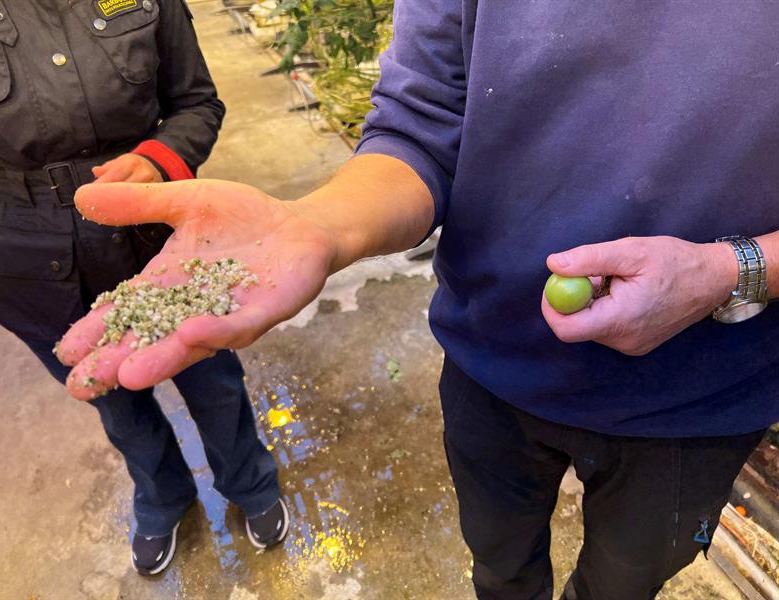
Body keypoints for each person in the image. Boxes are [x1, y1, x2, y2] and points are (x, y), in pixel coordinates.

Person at [56, 0, 779, 597]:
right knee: (498, 565)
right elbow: (422, 124)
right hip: (491, 366)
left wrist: (736, 268)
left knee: (624, 584)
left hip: (698, 399)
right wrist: (319, 226)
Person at [0, 0, 288, 577]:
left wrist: (157, 160)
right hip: (22, 254)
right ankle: (163, 493)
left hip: (151, 231)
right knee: (111, 394)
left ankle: (250, 480)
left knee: (211, 372)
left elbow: (197, 101)